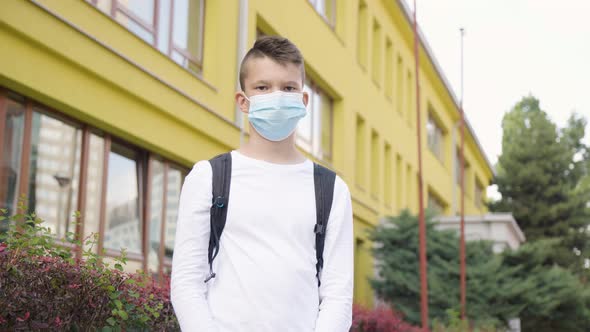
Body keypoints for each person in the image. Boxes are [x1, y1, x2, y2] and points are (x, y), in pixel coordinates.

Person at [170, 36, 353, 332]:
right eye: (263, 87)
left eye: (288, 87)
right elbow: (186, 283)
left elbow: (338, 295)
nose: (277, 96)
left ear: (303, 101)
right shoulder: (209, 177)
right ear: (243, 101)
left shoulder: (331, 189)